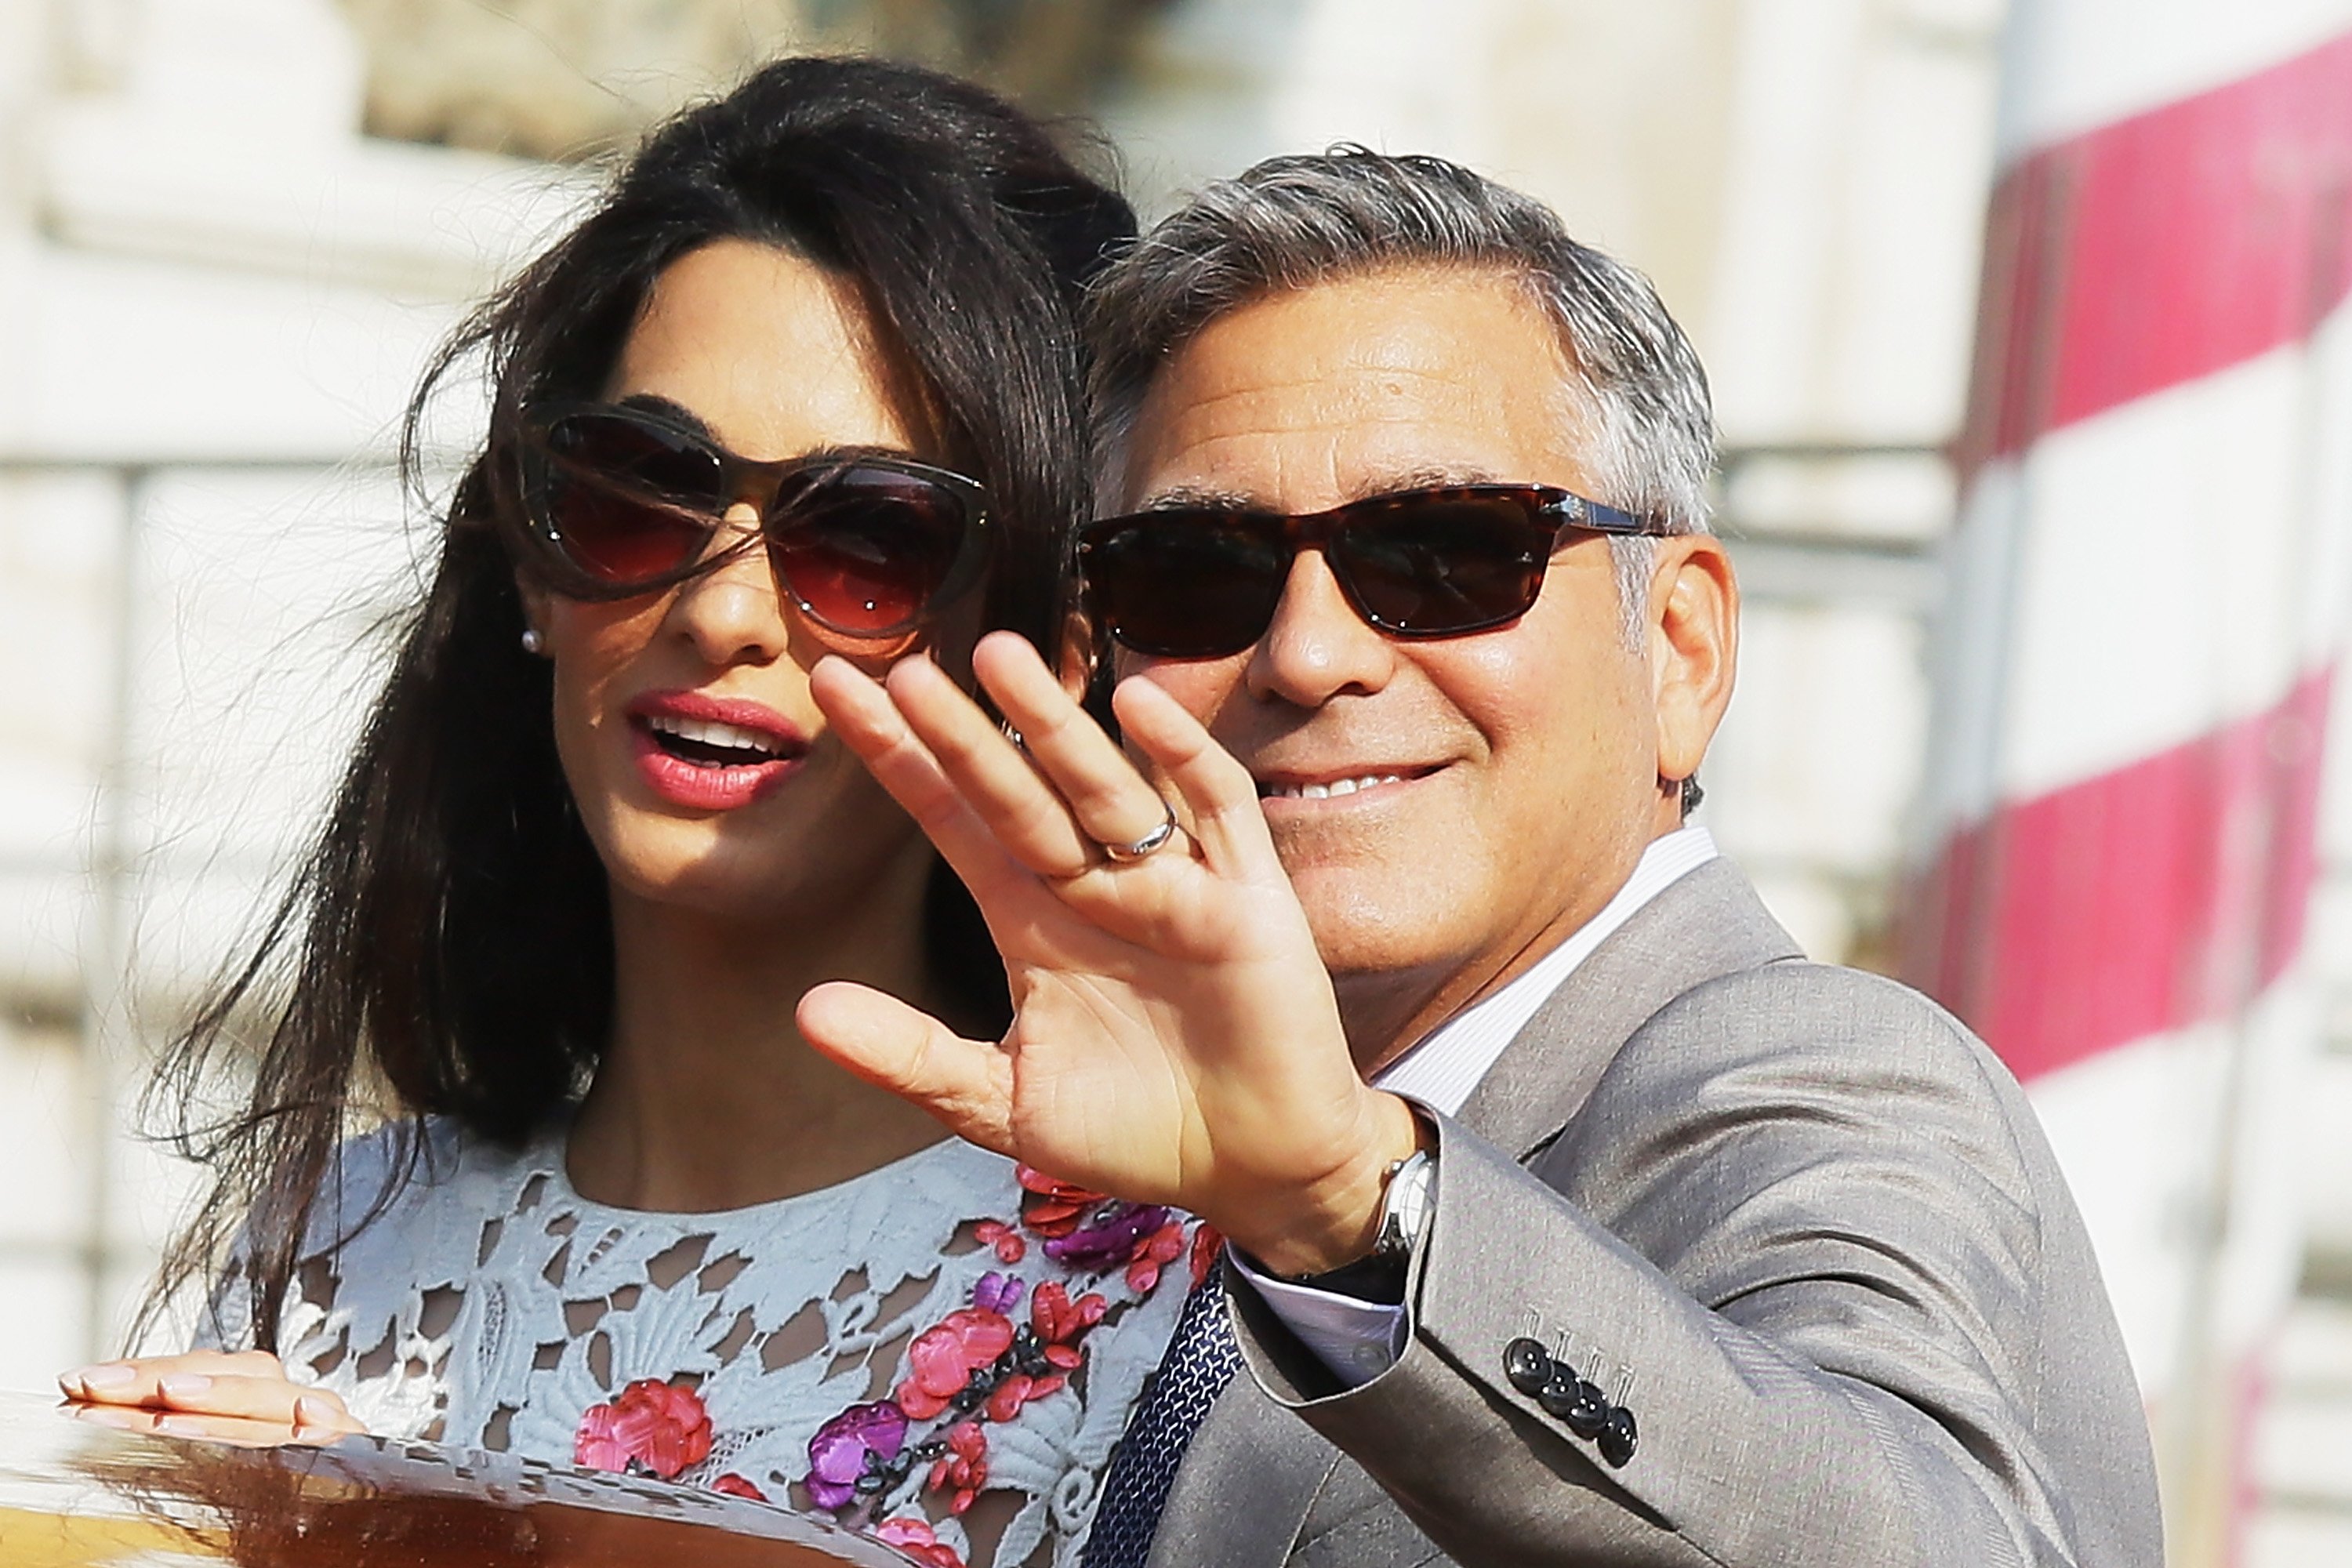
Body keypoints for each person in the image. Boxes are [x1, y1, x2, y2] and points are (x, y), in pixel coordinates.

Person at [795, 151, 2164, 1566]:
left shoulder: (1801, 1072)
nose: (1311, 655)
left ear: (1681, 649)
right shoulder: (1148, 1136)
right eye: (1197, 569)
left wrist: (1356, 1211)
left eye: (1444, 553)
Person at [61, 56, 1192, 1568]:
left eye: (869, 533)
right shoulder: (339, 1247)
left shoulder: (1175, 1294)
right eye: (640, 490)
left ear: (1039, 649)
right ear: (532, 568)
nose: (722, 610)